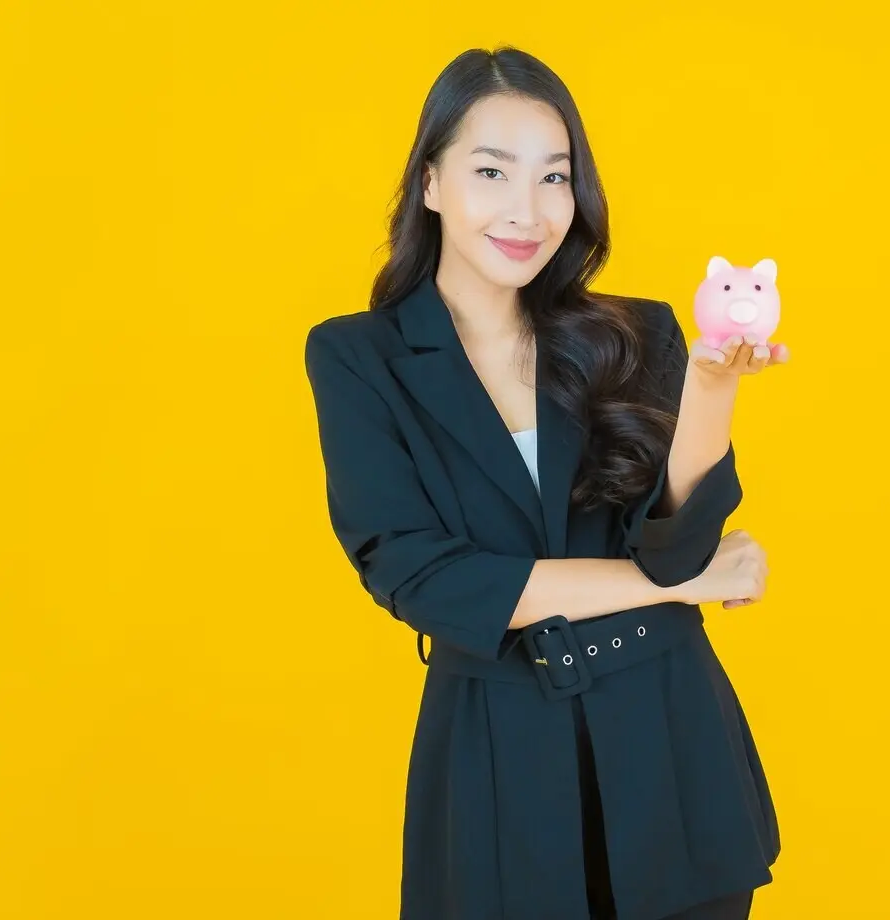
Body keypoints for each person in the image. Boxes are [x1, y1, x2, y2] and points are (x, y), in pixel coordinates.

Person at [303, 46, 787, 920]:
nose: (527, 211)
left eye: (554, 177)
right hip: (499, 769)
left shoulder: (634, 333)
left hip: (672, 756)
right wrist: (676, 585)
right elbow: (427, 581)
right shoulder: (357, 357)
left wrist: (713, 387)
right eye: (492, 171)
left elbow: (677, 544)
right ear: (430, 182)